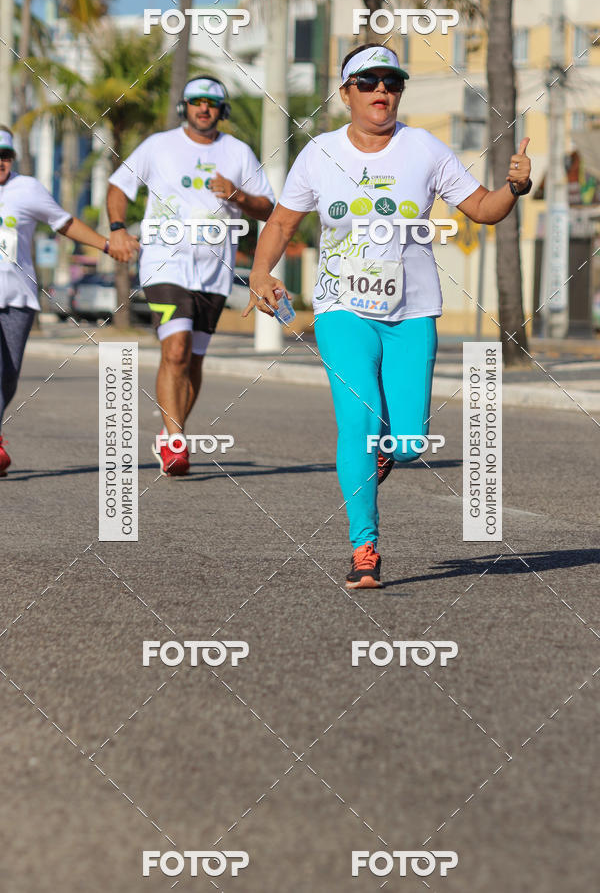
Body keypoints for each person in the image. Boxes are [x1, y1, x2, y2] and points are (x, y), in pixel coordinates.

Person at [245, 44, 532, 589]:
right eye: (370, 81)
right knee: (357, 421)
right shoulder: (320, 153)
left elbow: (483, 211)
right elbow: (282, 224)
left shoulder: (423, 148)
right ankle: (364, 547)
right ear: (346, 92)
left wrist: (515, 187)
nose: (383, 91)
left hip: (412, 311)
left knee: (408, 443)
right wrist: (261, 274)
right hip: (340, 308)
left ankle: (384, 453)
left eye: (393, 82)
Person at [107, 76, 275, 477]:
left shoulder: (238, 152)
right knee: (177, 348)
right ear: (185, 106)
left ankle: (173, 433)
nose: (204, 108)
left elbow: (269, 208)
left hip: (215, 271)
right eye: (196, 101)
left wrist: (238, 194)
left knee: (194, 358)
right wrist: (116, 227)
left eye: (212, 103)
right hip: (164, 262)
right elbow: (118, 187)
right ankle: (175, 441)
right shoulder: (159, 145)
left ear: (222, 110)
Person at [0, 126, 129, 478]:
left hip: (18, 299)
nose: (0, 162)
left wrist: (105, 244)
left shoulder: (27, 190)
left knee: (8, 376)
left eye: (5, 155)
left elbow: (65, 223)